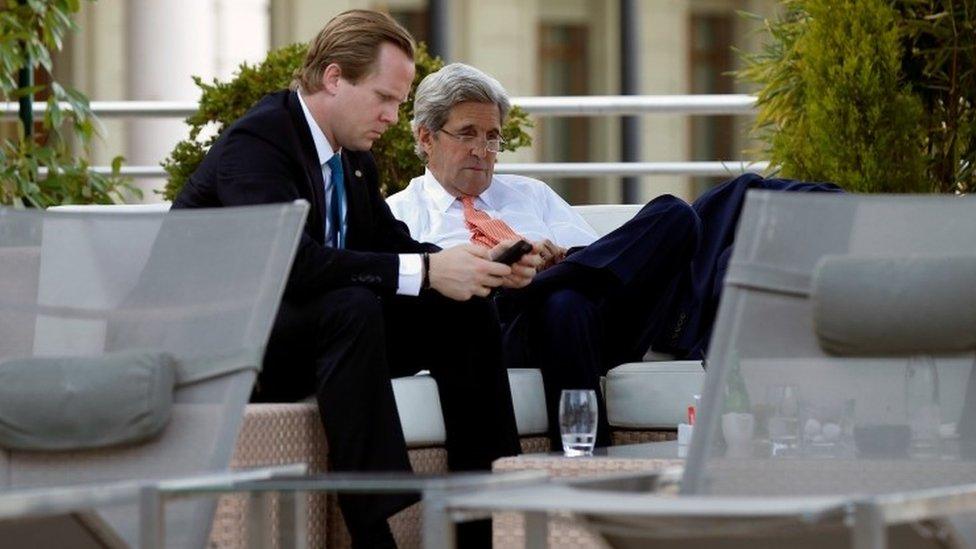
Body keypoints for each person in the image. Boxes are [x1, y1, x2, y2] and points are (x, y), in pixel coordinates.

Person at [172, 13, 538, 548]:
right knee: (351, 306)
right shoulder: (260, 141)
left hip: (308, 334)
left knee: (463, 308)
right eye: (384, 98)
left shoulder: (352, 159)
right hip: (225, 342)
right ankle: (376, 530)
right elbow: (288, 263)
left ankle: (483, 522)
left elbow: (390, 246)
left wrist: (481, 266)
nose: (393, 116)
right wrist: (428, 271)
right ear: (335, 78)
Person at [386, 62, 841, 451]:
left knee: (676, 213)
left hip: (606, 323)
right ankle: (586, 455)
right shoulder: (401, 214)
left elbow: (601, 262)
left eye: (492, 138)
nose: (483, 152)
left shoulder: (530, 194)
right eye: (467, 135)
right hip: (504, 328)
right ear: (426, 137)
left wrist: (559, 259)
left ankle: (853, 207)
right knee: (563, 304)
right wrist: (505, 272)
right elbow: (420, 307)